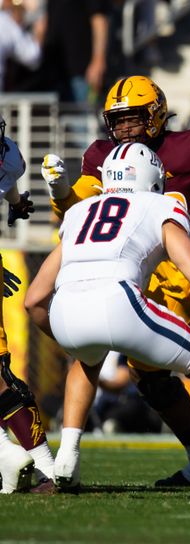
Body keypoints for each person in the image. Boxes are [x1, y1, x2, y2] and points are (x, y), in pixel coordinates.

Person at [40, 75, 190, 487]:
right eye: (119, 120)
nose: (125, 128)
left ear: (157, 113)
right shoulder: (102, 156)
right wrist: (60, 191)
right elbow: (80, 211)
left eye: (133, 118)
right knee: (146, 373)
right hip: (158, 267)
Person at [0, 114, 53, 495]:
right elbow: (11, 180)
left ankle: (21, 458)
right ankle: (42, 465)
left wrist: (16, 203)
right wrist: (17, 204)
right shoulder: (9, 155)